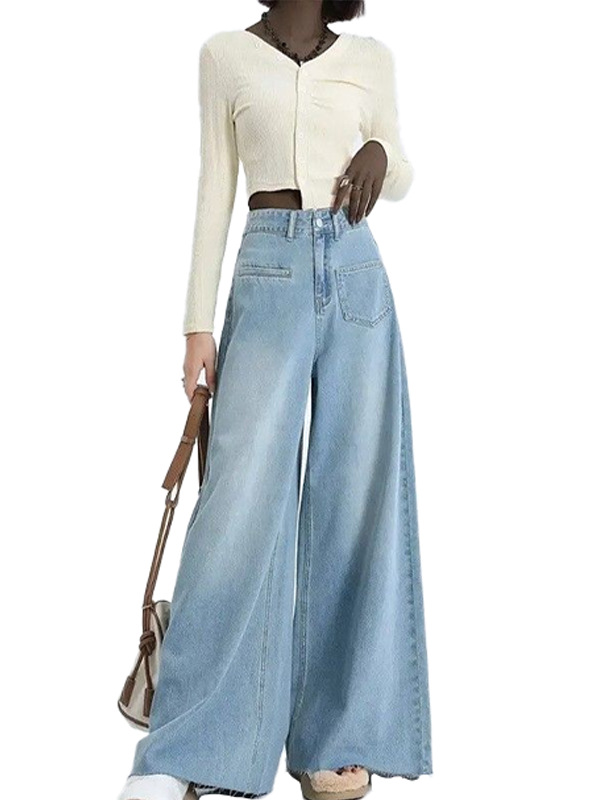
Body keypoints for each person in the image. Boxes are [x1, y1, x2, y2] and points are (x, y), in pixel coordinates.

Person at [117, 2, 433, 799]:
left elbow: (402, 173)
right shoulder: (225, 55)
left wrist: (378, 151)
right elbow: (214, 188)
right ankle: (192, 747)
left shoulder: (370, 58)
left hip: (356, 272)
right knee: (239, 505)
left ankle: (337, 736)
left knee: (355, 502)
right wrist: (196, 323)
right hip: (268, 268)